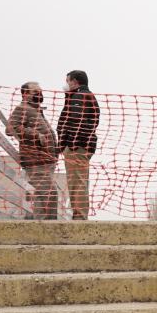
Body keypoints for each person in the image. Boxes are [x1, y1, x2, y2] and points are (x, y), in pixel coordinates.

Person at [7, 81, 59, 220]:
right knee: (50, 194)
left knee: (42, 197)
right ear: (25, 94)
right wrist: (36, 134)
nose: (39, 93)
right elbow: (10, 128)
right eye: (35, 91)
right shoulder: (23, 108)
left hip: (45, 161)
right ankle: (51, 229)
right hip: (36, 161)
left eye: (40, 90)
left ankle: (41, 230)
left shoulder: (36, 110)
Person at [58, 70, 100, 221]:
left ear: (75, 82)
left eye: (68, 81)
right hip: (82, 145)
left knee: (77, 182)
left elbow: (75, 121)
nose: (66, 84)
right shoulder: (81, 96)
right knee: (77, 181)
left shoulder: (79, 96)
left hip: (77, 146)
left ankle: (80, 217)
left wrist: (69, 144)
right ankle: (79, 215)